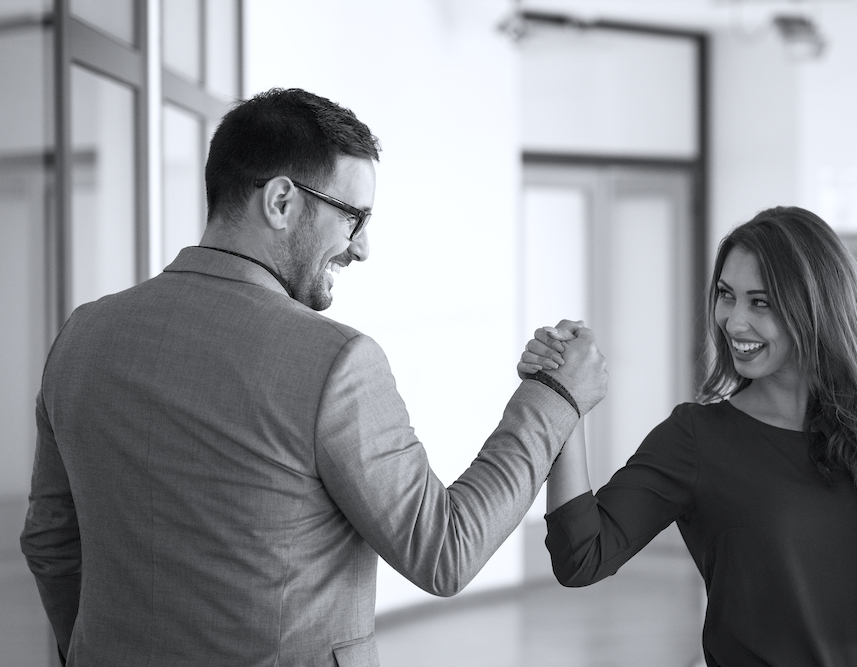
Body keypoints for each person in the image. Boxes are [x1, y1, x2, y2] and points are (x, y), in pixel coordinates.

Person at [21, 88, 608, 667]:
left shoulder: (82, 336)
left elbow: (51, 543)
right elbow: (445, 551)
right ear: (281, 202)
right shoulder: (337, 361)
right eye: (354, 218)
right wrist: (554, 396)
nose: (363, 248)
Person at [520, 206, 857, 666]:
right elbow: (580, 557)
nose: (734, 321)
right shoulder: (697, 438)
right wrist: (565, 403)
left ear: (816, 308)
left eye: (760, 302)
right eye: (726, 295)